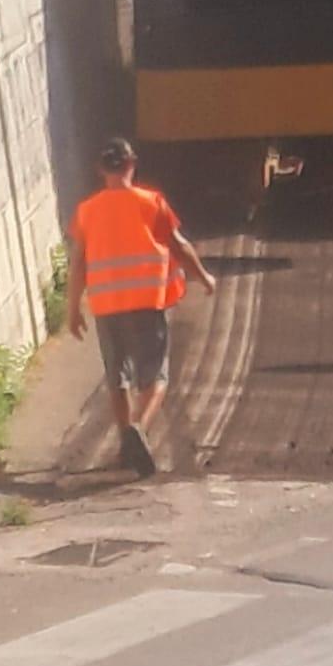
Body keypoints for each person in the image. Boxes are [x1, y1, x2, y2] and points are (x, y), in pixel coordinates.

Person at [66, 138, 216, 476]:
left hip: (106, 304)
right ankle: (139, 428)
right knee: (156, 376)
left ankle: (126, 445)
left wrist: (73, 308)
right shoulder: (152, 203)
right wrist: (204, 277)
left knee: (117, 377)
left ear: (100, 170)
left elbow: (78, 263)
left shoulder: (87, 211)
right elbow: (179, 246)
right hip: (147, 303)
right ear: (132, 164)